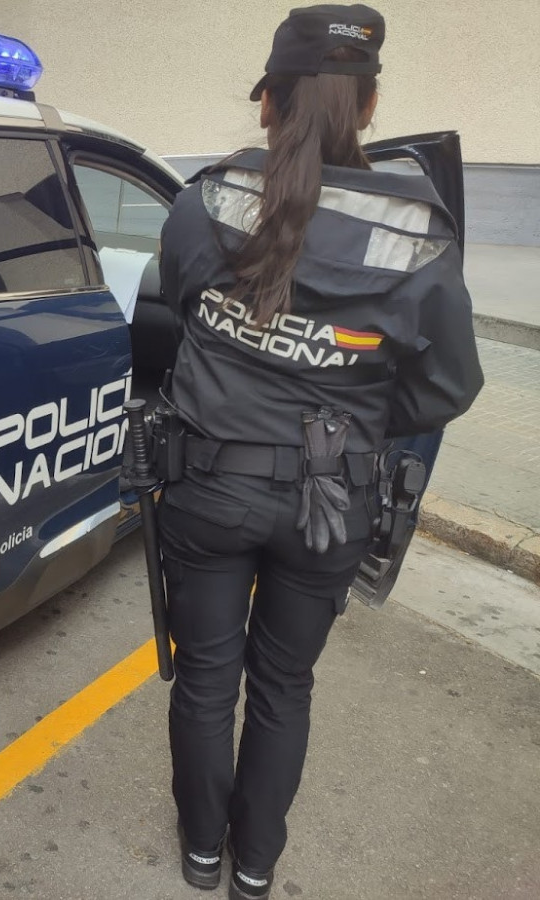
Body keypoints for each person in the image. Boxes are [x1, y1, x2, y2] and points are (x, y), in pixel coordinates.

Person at [154, 5, 483, 898]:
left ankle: (199, 853)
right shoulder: (420, 230)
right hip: (330, 497)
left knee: (206, 678)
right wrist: (361, 400)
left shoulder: (207, 197)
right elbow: (449, 385)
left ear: (270, 102)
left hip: (208, 485)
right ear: (368, 106)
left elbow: (176, 307)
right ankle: (255, 867)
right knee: (283, 687)